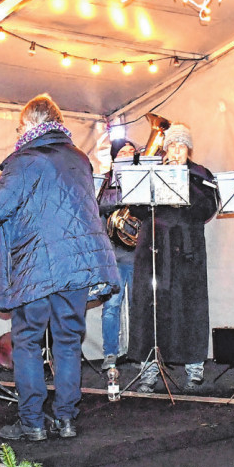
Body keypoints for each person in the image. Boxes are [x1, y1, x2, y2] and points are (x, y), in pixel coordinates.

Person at [0, 94, 118, 441]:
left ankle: (32, 422)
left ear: (34, 124)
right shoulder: (79, 159)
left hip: (35, 267)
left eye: (21, 126)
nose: (18, 131)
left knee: (27, 343)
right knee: (68, 342)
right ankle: (66, 418)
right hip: (77, 267)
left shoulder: (26, 160)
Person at [128, 124, 219, 393]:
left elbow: (208, 208)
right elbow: (136, 208)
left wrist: (184, 181)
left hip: (188, 249)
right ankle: (149, 370)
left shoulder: (200, 174)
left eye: (181, 146)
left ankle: (194, 368)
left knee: (190, 306)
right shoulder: (149, 172)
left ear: (188, 149)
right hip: (152, 248)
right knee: (150, 308)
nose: (175, 151)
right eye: (171, 146)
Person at [96, 137, 138, 372]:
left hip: (138, 254)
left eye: (131, 151)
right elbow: (97, 205)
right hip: (113, 256)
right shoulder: (104, 183)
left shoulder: (143, 179)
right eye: (122, 152)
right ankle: (110, 353)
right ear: (114, 158)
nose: (128, 154)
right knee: (111, 307)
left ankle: (139, 352)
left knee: (139, 306)